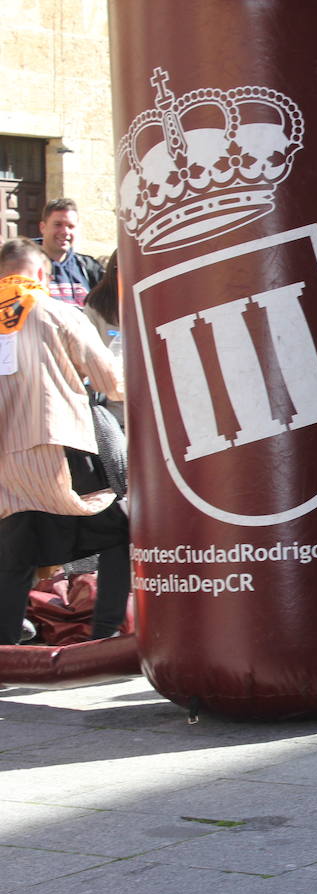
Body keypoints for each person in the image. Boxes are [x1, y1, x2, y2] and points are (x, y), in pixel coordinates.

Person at [0, 239, 128, 645]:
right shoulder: (58, 312)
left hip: (5, 459)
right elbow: (112, 383)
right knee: (122, 529)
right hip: (61, 446)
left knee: (15, 556)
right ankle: (105, 633)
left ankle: (5, 653)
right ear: (42, 275)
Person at [36, 199, 104, 310]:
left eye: (70, 226)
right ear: (43, 227)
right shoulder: (26, 266)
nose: (65, 231)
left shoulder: (89, 268)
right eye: (58, 224)